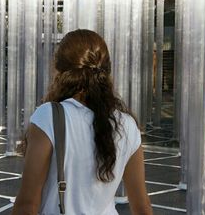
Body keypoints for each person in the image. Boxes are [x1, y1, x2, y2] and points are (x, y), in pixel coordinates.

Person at [12, 29, 153, 215]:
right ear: (107, 71)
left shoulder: (49, 116)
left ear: (59, 71)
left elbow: (27, 204)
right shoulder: (126, 124)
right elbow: (142, 207)